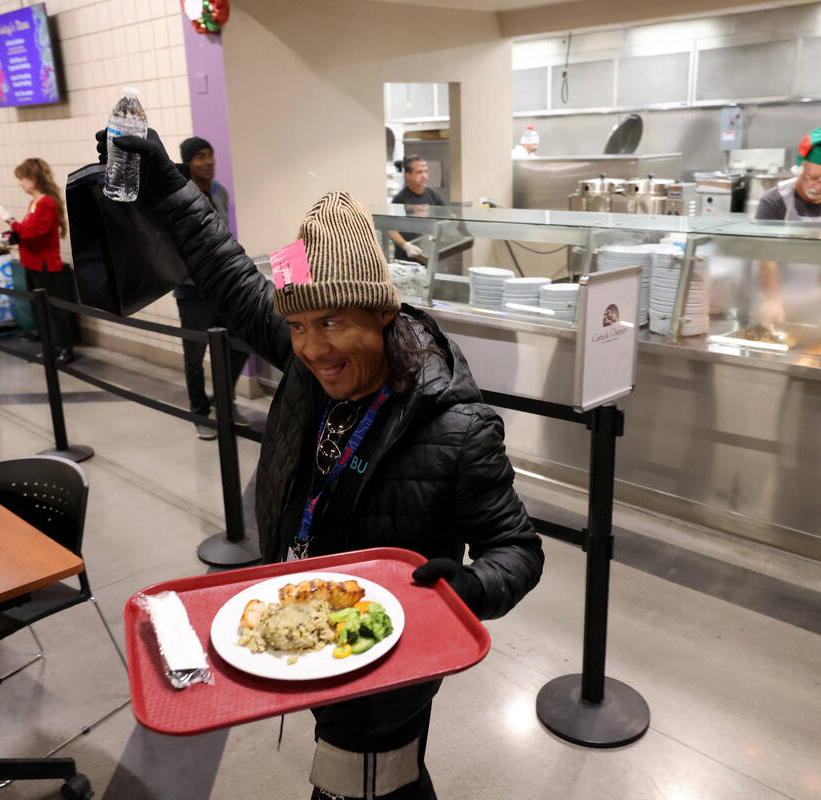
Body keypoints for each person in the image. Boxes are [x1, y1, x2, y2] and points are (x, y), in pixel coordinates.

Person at [100, 129, 543, 800]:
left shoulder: (458, 426)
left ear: (382, 313)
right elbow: (231, 273)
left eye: (331, 323)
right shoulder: (311, 363)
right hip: (307, 624)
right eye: (299, 327)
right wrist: (166, 183)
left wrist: (470, 588)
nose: (311, 347)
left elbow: (519, 549)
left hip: (386, 662)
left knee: (366, 782)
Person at [174, 136, 248, 439]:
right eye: (200, 157)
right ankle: (199, 412)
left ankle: (224, 401)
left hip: (222, 284)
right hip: (191, 289)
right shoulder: (180, 196)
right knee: (194, 354)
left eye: (211, 155)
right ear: (188, 162)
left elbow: (224, 235)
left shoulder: (220, 192)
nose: (208, 162)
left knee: (241, 341)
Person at [754, 125, 821, 324]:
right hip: (775, 298)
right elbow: (765, 256)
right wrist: (773, 300)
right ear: (800, 169)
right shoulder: (775, 201)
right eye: (813, 177)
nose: (819, 186)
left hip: (816, 300)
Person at [4, 158, 76, 364]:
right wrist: (15, 233)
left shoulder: (46, 202)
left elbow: (34, 232)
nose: (20, 184)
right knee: (40, 310)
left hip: (45, 265)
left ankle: (65, 348)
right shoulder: (34, 203)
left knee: (54, 310)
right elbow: (27, 233)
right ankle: (50, 347)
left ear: (33, 179)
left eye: (22, 179)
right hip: (31, 263)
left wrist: (12, 222)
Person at [388, 155, 445, 263]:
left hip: (427, 255)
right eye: (419, 172)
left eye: (426, 171)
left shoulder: (432, 194)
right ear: (408, 175)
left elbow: (446, 216)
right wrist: (406, 245)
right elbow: (391, 229)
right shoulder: (400, 199)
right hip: (407, 259)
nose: (424, 176)